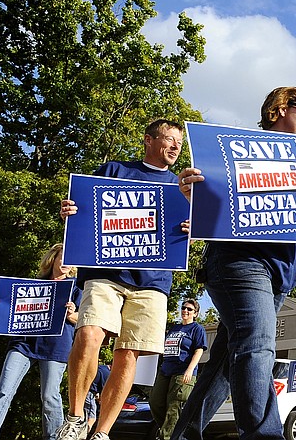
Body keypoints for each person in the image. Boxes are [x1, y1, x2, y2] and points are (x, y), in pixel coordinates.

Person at [170, 86, 296, 440]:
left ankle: (183, 435)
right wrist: (193, 192)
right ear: (278, 110)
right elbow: (211, 196)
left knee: (223, 364)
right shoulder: (233, 151)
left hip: (279, 276)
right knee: (258, 344)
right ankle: (265, 435)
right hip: (239, 263)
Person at [56, 119, 189, 440]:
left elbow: (189, 232)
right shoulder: (113, 171)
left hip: (153, 282)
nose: (175, 147)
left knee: (128, 353)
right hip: (105, 273)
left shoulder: (180, 188)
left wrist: (190, 232)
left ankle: (101, 431)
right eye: (169, 139)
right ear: (148, 140)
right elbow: (84, 211)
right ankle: (75, 418)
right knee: (88, 334)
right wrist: (71, 212)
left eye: (179, 143)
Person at [0, 244, 80, 440]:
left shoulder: (76, 287)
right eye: (62, 257)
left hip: (56, 346)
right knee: (4, 390)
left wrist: (71, 313)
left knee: (50, 396)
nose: (66, 262)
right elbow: (10, 308)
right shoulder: (33, 283)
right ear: (53, 259)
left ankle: (53, 437)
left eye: (70, 259)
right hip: (24, 343)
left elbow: (83, 319)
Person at [150, 298, 208, 440]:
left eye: (189, 309)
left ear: (196, 313)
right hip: (165, 370)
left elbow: (199, 350)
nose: (185, 311)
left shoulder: (197, 329)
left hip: (183, 372)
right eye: (183, 308)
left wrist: (189, 369)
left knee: (174, 406)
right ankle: (168, 430)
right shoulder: (174, 328)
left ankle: (167, 436)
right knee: (154, 401)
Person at [84, 364, 111, 436]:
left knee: (82, 417)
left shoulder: (100, 368)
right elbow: (104, 392)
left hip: (83, 392)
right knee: (91, 418)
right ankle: (83, 435)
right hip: (89, 394)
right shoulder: (106, 373)